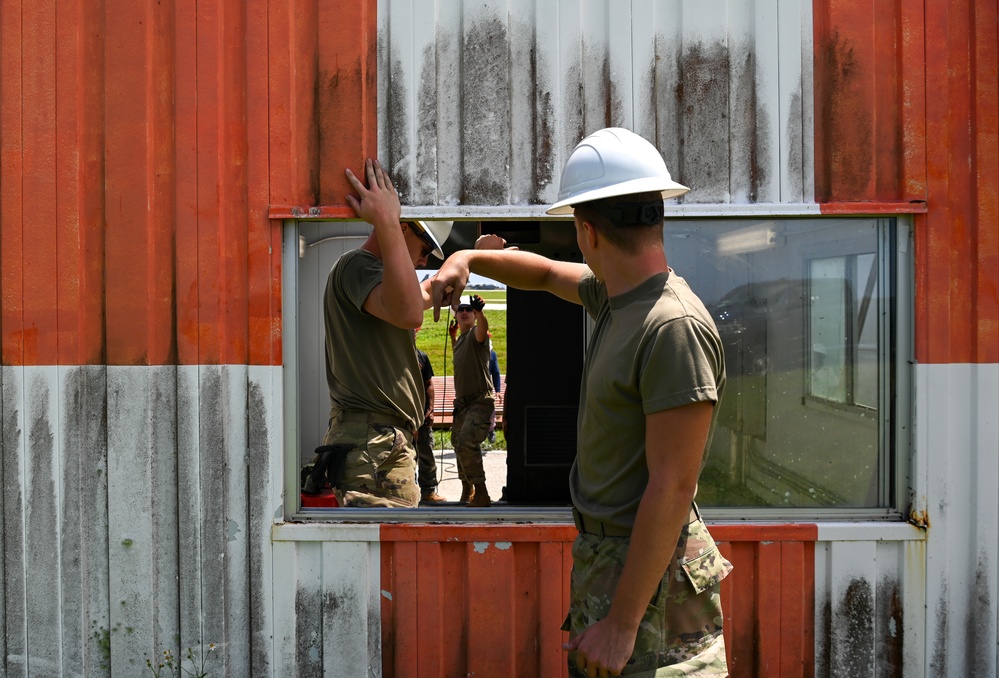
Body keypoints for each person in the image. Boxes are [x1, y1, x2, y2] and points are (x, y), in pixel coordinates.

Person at [432, 128, 733, 675]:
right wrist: (467, 259)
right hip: (615, 565)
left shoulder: (672, 327)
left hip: (653, 586)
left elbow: (672, 487)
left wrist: (621, 625)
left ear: (586, 231)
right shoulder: (615, 296)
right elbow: (545, 273)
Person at [303, 158, 452, 508]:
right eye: (426, 248)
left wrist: (460, 267)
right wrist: (386, 219)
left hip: (380, 440)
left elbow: (416, 298)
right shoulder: (358, 266)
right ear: (402, 228)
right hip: (374, 443)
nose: (424, 260)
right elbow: (409, 310)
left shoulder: (376, 281)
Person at [447, 294, 495, 507]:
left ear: (473, 316)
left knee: (467, 440)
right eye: (461, 310)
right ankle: (468, 488)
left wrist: (480, 312)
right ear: (456, 316)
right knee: (457, 442)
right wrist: (452, 337)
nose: (464, 312)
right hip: (462, 404)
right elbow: (462, 354)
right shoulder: (460, 341)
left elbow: (482, 329)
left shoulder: (477, 335)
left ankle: (482, 493)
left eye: (469, 310)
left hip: (479, 400)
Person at [414, 330, 446, 503]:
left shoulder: (422, 356)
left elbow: (429, 385)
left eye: (413, 330)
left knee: (425, 453)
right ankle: (405, 492)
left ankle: (428, 491)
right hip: (403, 416)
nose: (410, 333)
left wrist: (431, 409)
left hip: (422, 416)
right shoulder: (393, 358)